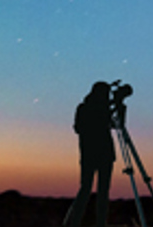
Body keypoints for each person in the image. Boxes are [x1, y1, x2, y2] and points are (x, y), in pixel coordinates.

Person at [63, 81, 116, 227]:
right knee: (89, 189)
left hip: (95, 155)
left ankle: (96, 223)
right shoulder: (86, 108)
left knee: (98, 191)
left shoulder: (90, 108)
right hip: (97, 154)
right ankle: (76, 222)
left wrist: (115, 107)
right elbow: (79, 128)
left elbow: (116, 124)